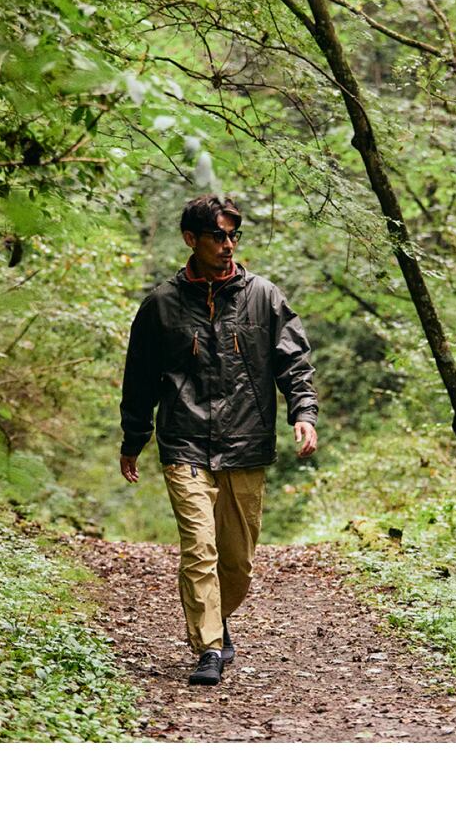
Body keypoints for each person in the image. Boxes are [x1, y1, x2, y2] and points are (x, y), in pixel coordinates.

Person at [118, 194, 319, 686]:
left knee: (238, 562)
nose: (228, 245)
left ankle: (218, 615)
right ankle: (208, 646)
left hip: (246, 442)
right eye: (218, 236)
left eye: (234, 236)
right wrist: (134, 438)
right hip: (184, 441)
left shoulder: (264, 297)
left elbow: (294, 361)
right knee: (199, 548)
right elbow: (139, 378)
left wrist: (303, 413)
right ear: (191, 239)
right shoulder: (161, 305)